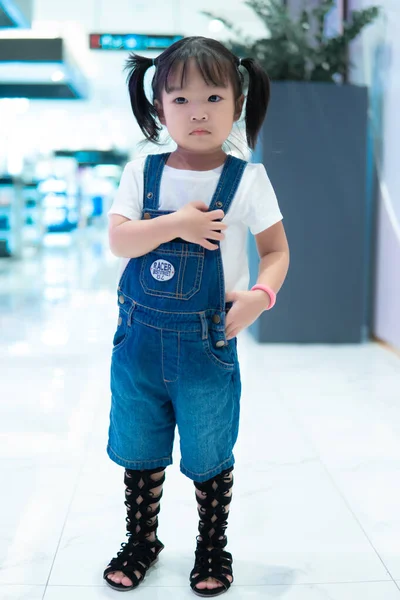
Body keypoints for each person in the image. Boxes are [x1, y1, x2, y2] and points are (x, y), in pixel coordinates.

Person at [103, 36, 290, 597]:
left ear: (238, 103)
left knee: (209, 450)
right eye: (180, 100)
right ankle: (142, 539)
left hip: (208, 344)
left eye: (213, 96)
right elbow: (119, 240)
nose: (198, 112)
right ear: (159, 107)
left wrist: (260, 296)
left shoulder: (248, 180)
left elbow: (278, 252)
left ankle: (212, 545)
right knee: (140, 445)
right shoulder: (143, 172)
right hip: (137, 344)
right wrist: (176, 224)